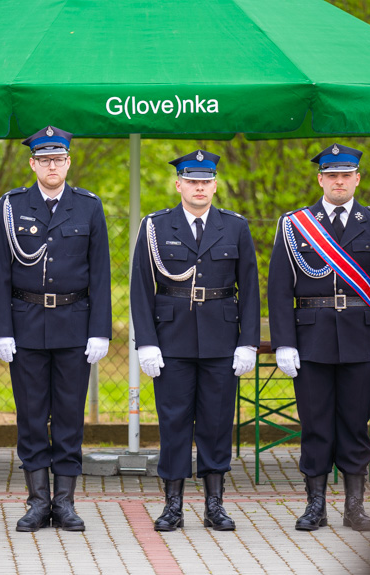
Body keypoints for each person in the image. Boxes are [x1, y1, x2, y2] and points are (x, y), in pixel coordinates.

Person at [268, 144, 370, 532]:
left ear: (358, 178)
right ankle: (315, 507)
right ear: (320, 180)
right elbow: (278, 288)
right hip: (311, 340)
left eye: (346, 174)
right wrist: (285, 341)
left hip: (361, 341)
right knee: (315, 425)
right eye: (332, 175)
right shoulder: (295, 224)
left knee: (354, 424)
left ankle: (354, 507)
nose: (339, 180)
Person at [130, 150, 259, 532]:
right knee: (173, 423)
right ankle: (173, 506)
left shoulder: (234, 226)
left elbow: (250, 288)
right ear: (179, 185)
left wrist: (247, 341)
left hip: (221, 338)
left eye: (206, 181)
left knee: (217, 423)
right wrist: (146, 342)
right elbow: (140, 288)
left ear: (215, 185)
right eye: (192, 181)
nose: (199, 188)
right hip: (171, 339)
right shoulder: (156, 226)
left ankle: (214, 505)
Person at [0, 126, 111, 533]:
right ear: (33, 164)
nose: (52, 166)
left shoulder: (89, 207)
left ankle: (65, 502)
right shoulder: (11, 206)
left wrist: (101, 331)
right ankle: (37, 501)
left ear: (68, 162)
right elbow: (0, 275)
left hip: (75, 326)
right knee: (30, 416)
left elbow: (100, 274)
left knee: (69, 419)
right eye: (44, 160)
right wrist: (1, 329)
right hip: (25, 325)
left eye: (58, 159)